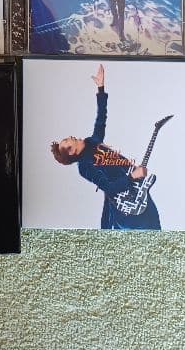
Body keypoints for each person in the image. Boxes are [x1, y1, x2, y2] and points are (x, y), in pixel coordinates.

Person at [49, 64, 161, 230]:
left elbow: (101, 118)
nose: (71, 137)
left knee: (155, 226)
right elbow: (109, 188)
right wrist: (132, 176)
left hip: (138, 190)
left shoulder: (92, 142)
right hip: (125, 206)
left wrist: (101, 88)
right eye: (67, 140)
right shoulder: (84, 167)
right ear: (71, 152)